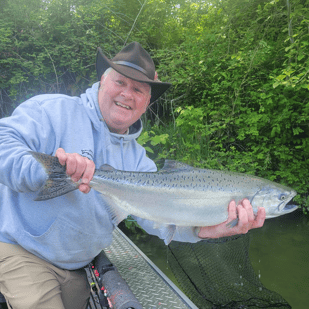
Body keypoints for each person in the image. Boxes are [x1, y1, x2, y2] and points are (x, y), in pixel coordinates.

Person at [0, 42, 266, 309]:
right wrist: (44, 171)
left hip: (77, 267)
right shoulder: (53, 110)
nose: (128, 93)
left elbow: (158, 220)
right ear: (102, 82)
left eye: (138, 89)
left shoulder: (139, 161)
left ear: (147, 102)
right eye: (120, 82)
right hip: (22, 251)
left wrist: (204, 230)